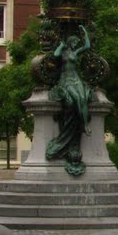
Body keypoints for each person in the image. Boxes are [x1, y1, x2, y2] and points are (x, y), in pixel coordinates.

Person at [46, 25, 92, 176]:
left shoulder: (75, 51)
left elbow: (87, 46)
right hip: (66, 80)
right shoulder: (64, 51)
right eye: (74, 42)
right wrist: (60, 45)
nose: (75, 44)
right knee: (74, 100)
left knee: (83, 98)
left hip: (76, 79)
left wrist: (85, 33)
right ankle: (76, 128)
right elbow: (55, 55)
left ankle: (84, 124)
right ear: (70, 42)